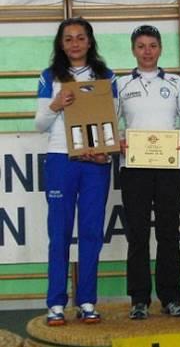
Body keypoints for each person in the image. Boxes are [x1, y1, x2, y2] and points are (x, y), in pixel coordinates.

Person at [35, 17, 117, 326]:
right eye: (68, 38)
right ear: (61, 43)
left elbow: (113, 119)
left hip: (95, 162)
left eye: (80, 38)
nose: (74, 44)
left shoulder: (106, 76)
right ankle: (56, 303)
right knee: (59, 234)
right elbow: (40, 124)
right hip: (60, 159)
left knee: (91, 233)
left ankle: (86, 300)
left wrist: (104, 152)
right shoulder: (49, 76)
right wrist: (55, 104)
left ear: (89, 41)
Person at [117, 25, 180, 319]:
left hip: (169, 167)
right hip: (133, 168)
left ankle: (170, 297)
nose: (147, 51)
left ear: (161, 49)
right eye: (141, 46)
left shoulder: (176, 82)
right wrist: (116, 142)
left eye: (153, 45)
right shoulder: (119, 84)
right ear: (133, 50)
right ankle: (139, 299)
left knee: (169, 233)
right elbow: (108, 121)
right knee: (137, 234)